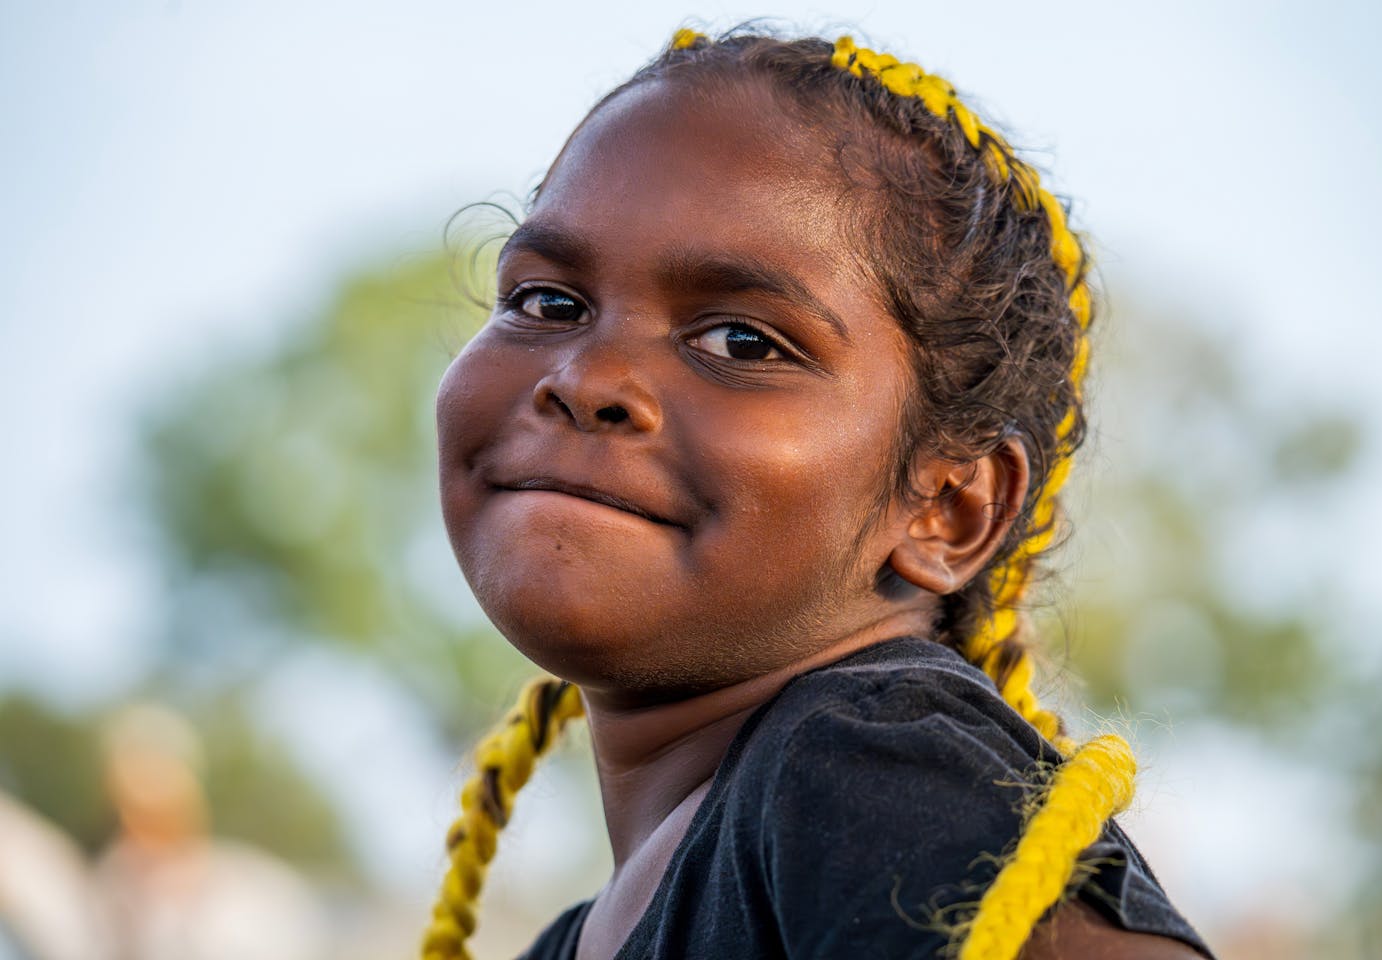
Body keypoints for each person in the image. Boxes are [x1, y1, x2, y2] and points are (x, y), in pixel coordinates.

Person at [422, 25, 1213, 960]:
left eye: (742, 343)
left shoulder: (866, 763)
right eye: (547, 302)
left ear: (948, 507)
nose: (587, 378)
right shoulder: (588, 931)